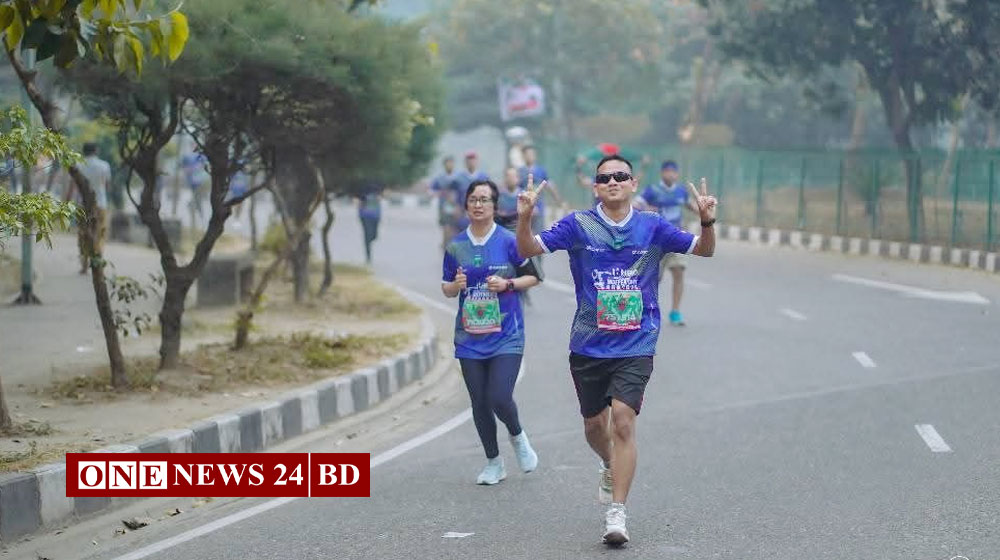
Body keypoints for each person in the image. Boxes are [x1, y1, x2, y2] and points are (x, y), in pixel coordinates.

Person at [515, 155, 717, 545]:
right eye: (605, 178)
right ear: (595, 187)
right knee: (595, 427)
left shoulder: (652, 226)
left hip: (637, 340)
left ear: (633, 183)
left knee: (623, 421)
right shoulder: (578, 225)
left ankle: (617, 513)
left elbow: (705, 250)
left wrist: (707, 221)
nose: (613, 182)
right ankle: (609, 462)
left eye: (620, 176)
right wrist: (524, 218)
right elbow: (527, 248)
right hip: (589, 343)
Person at [442, 179, 541, 485]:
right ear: (466, 205)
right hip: (469, 338)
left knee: (499, 396)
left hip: (506, 335)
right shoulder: (456, 245)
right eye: (473, 199)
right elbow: (446, 288)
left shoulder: (510, 241)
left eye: (484, 199)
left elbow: (533, 277)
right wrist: (455, 285)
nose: (478, 204)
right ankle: (494, 462)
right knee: (479, 402)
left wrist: (508, 284)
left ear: (494, 206)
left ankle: (518, 437)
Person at [635, 160, 701, 326]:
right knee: (653, 278)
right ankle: (644, 310)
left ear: (677, 174)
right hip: (656, 240)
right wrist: (646, 209)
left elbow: (692, 206)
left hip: (677, 238)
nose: (671, 175)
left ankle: (675, 312)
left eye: (674, 172)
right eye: (668, 171)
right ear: (662, 173)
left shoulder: (681, 192)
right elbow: (635, 205)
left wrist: (703, 210)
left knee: (679, 271)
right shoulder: (652, 191)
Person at [65, 143, 112, 275]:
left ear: (84, 151)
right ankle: (98, 262)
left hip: (82, 205)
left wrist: (66, 204)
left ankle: (84, 265)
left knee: (83, 234)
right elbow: (107, 186)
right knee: (100, 233)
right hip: (100, 204)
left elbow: (71, 187)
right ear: (96, 151)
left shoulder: (77, 165)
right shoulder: (104, 165)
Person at [518, 145, 566, 234]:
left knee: (538, 233)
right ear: (523, 156)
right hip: (524, 206)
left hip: (539, 206)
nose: (530, 156)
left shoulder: (541, 170)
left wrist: (559, 200)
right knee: (524, 231)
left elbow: (550, 185)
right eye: (527, 154)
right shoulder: (520, 171)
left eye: (532, 154)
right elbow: (517, 190)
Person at [430, 156, 461, 249]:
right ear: (444, 165)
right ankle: (445, 244)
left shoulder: (459, 177)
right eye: (447, 163)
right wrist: (440, 193)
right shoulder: (440, 178)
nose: (449, 165)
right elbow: (432, 191)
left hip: (456, 205)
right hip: (444, 206)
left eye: (451, 163)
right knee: (446, 225)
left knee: (455, 226)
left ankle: (450, 243)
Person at [357, 185, 382, 265]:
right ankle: (368, 257)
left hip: (375, 217)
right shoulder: (363, 194)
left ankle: (368, 242)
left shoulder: (378, 194)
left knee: (374, 236)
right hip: (365, 217)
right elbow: (359, 205)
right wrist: (360, 215)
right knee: (367, 237)